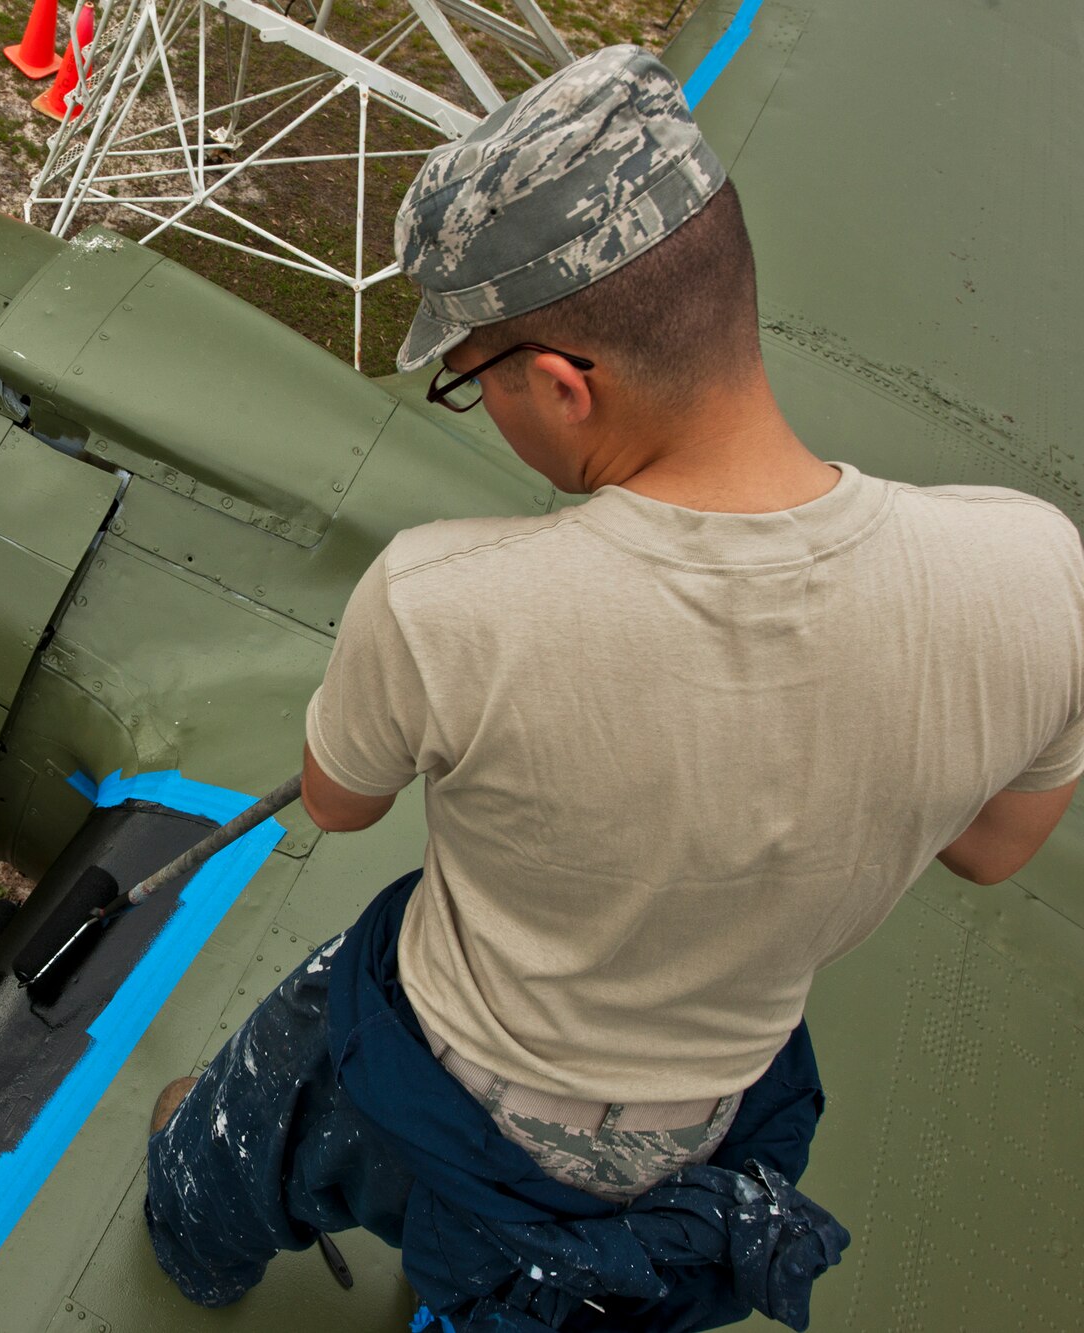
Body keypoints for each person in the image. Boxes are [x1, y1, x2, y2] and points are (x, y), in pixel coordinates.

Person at [144, 43, 1084, 1329]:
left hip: (442, 1068)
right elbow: (992, 847)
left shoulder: (442, 601)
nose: (483, 411)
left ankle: (200, 1234)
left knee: (243, 1121)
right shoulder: (1034, 566)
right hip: (713, 1107)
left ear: (560, 384)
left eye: (469, 381)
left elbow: (337, 803)